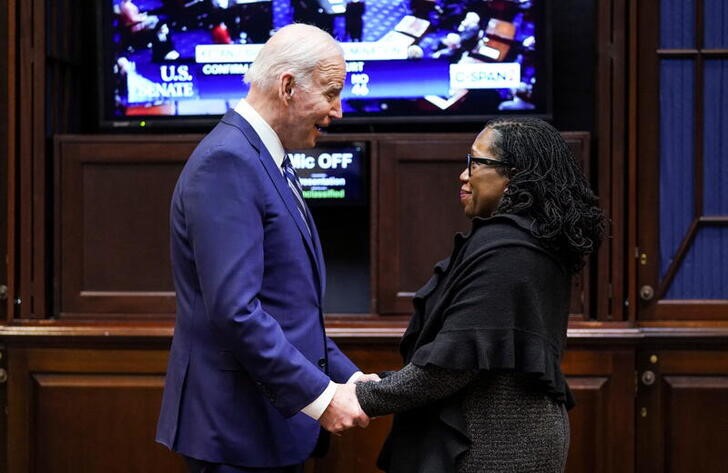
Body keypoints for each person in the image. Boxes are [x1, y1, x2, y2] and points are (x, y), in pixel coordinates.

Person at [156, 24, 377, 473]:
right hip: (238, 433)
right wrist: (319, 396)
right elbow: (235, 311)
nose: (338, 110)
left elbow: (285, 308)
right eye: (332, 92)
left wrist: (349, 379)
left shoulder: (261, 156)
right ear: (288, 86)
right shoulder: (229, 161)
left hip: (263, 428)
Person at [354, 117, 606, 472]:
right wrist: (381, 382)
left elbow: (449, 369)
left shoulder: (509, 250)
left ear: (514, 175)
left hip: (497, 449)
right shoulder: (527, 242)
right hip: (509, 436)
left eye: (475, 162)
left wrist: (360, 397)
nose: (463, 174)